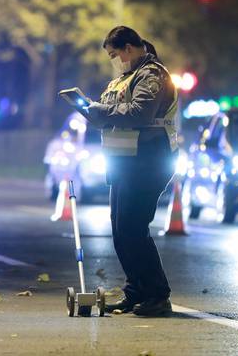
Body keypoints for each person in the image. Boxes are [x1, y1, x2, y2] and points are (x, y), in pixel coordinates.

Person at [86, 26, 178, 316]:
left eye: (115, 54)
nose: (114, 60)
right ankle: (136, 291)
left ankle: (158, 295)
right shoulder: (124, 79)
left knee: (133, 229)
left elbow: (140, 112)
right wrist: (92, 111)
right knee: (120, 230)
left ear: (128, 48)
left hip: (148, 162)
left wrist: (102, 112)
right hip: (125, 163)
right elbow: (112, 112)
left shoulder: (152, 75)